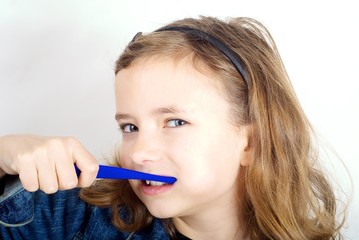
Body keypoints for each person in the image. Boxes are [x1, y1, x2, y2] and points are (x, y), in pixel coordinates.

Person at [0, 16, 346, 239]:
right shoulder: (70, 218)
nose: (138, 153)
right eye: (130, 127)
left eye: (175, 122)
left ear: (250, 143)